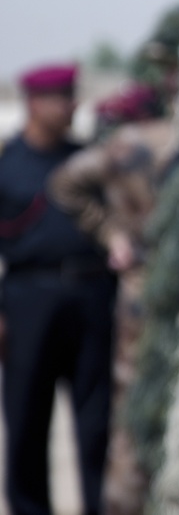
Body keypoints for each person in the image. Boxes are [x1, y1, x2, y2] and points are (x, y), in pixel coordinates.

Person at [0, 63, 119, 515]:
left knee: (96, 423)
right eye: (62, 97)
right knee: (27, 419)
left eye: (73, 95)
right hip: (30, 298)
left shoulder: (87, 160)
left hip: (91, 295)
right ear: (34, 104)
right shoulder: (8, 166)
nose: (72, 105)